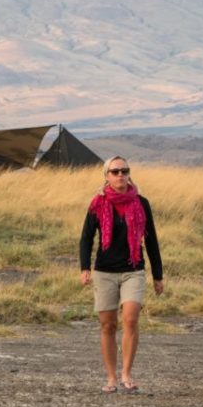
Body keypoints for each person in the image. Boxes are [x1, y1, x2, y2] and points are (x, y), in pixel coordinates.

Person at [78, 156, 165, 393]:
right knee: (108, 325)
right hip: (105, 271)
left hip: (133, 269)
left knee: (130, 319)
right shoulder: (98, 203)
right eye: (115, 171)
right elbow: (86, 238)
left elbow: (151, 239)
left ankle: (126, 373)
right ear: (106, 176)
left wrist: (158, 275)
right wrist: (84, 268)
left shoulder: (141, 202)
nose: (120, 175)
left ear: (129, 174)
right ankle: (110, 378)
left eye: (124, 171)